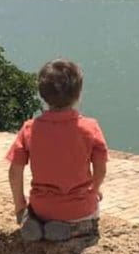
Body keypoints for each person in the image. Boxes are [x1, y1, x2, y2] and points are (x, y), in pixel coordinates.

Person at [7, 59, 107, 242]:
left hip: (42, 208)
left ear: (42, 94)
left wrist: (19, 204)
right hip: (80, 208)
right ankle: (72, 230)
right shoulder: (89, 128)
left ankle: (35, 222)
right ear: (79, 94)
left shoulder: (30, 128)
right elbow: (100, 166)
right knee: (90, 221)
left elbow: (15, 171)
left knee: (33, 214)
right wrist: (95, 188)